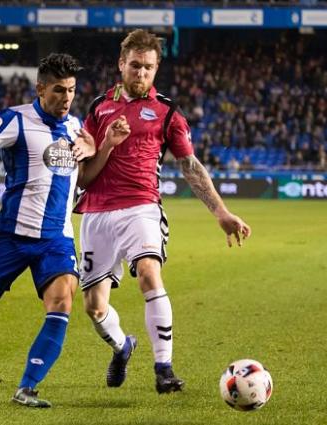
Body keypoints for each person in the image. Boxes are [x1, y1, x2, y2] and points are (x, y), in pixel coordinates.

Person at [0, 53, 130, 408]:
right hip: (11, 237)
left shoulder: (76, 127)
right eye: (59, 91)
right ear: (40, 89)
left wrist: (105, 145)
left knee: (63, 300)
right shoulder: (13, 119)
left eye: (72, 91)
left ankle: (27, 387)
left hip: (55, 240)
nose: (66, 98)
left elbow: (84, 179)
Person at [75, 29, 252, 394]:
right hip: (97, 211)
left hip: (142, 206)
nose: (141, 73)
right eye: (135, 65)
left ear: (156, 70)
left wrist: (220, 212)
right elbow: (85, 174)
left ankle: (164, 368)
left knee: (150, 276)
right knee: (94, 307)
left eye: (149, 68)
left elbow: (189, 165)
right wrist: (106, 142)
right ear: (121, 64)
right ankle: (123, 346)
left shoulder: (166, 111)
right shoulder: (97, 109)